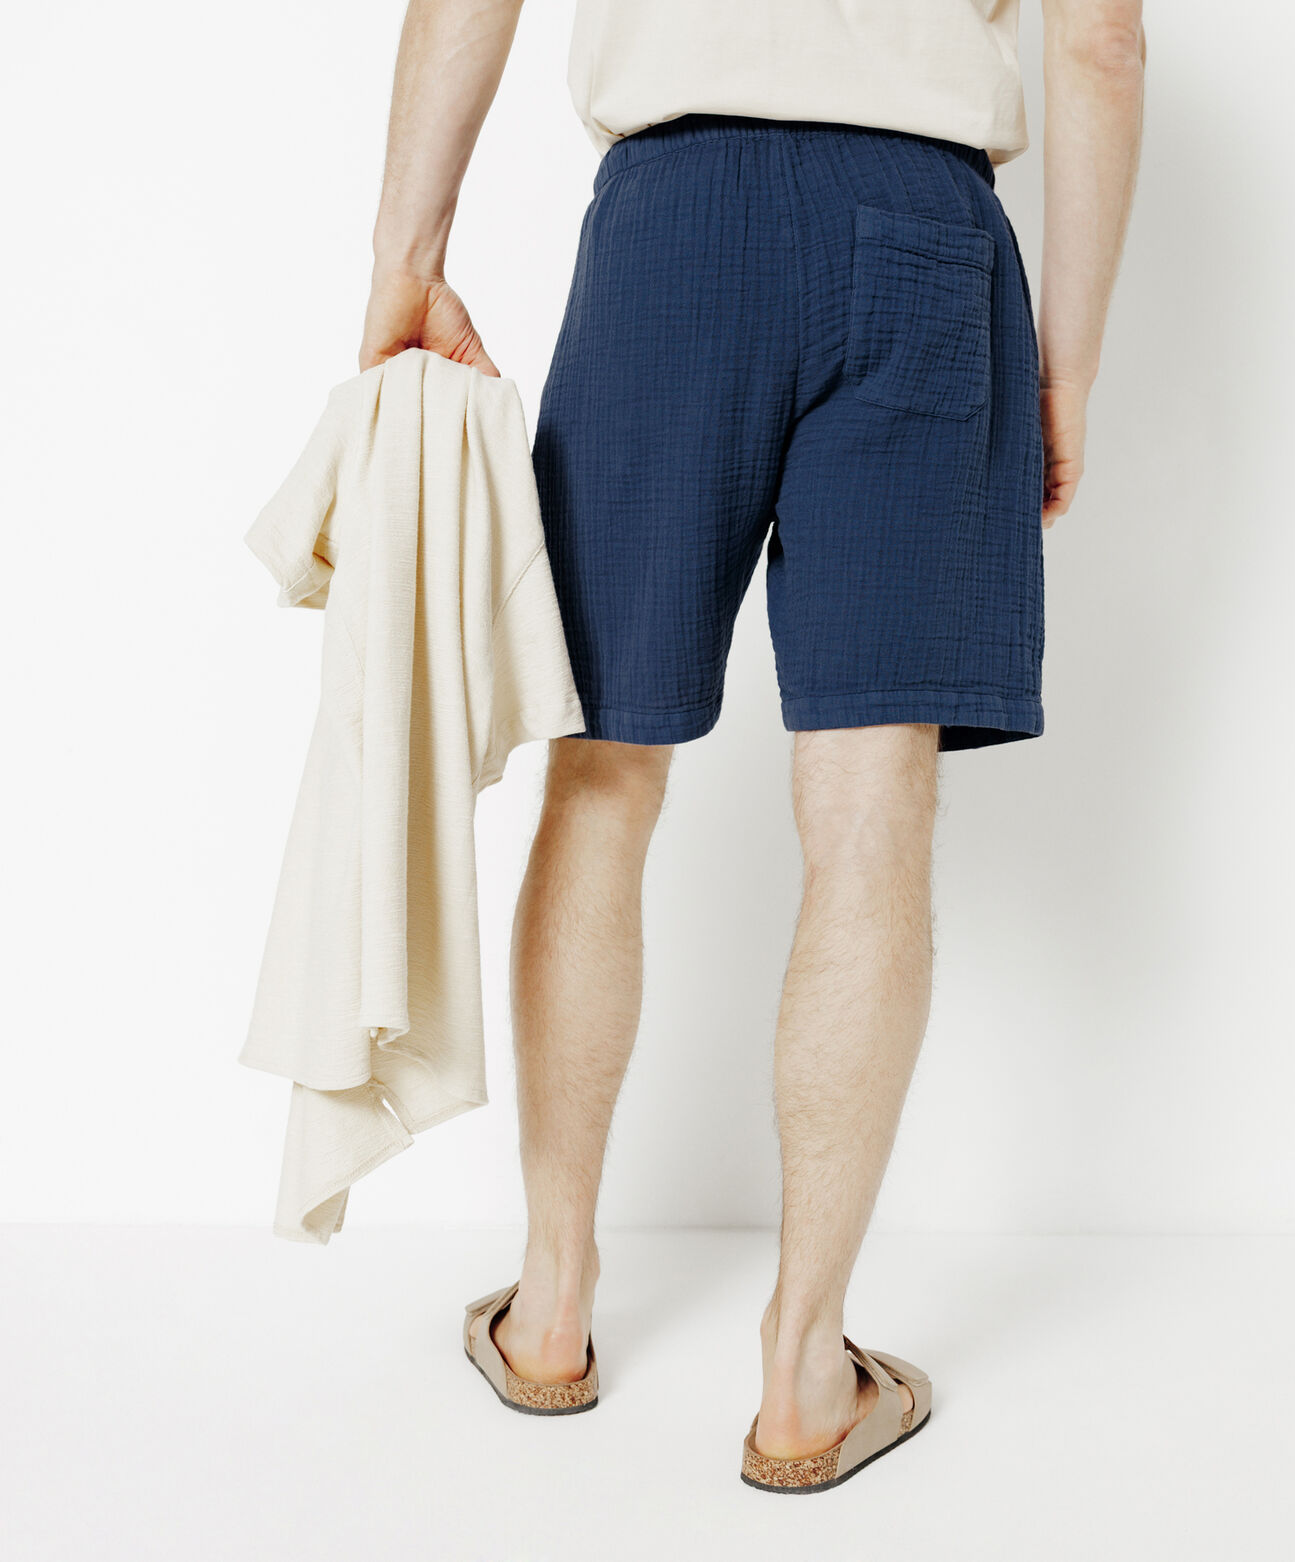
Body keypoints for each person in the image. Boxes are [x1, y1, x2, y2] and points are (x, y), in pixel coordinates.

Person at [360, 0, 1145, 1490]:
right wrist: (1068, 367)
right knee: (869, 811)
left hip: (675, 225)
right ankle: (804, 1371)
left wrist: (408, 254)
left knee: (604, 772)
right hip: (921, 234)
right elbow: (1101, 44)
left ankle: (549, 1305)